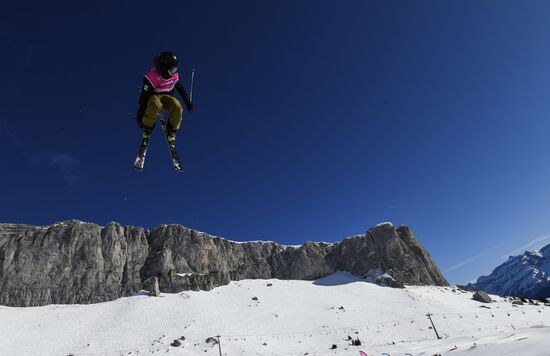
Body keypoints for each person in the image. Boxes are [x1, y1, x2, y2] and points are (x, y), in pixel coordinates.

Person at [136, 51, 193, 143]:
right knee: (155, 105)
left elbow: (180, 88)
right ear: (164, 68)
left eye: (175, 69)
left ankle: (171, 131)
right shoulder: (152, 77)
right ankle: (148, 129)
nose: (174, 72)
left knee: (177, 107)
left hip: (167, 95)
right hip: (154, 95)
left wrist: (187, 103)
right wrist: (140, 116)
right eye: (172, 70)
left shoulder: (174, 75)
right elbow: (143, 98)